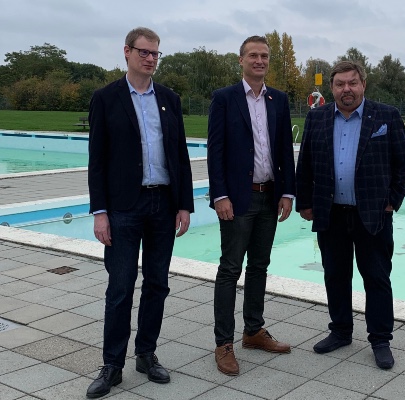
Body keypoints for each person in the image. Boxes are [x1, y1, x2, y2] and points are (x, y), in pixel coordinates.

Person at [86, 27, 194, 398]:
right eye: (144, 52)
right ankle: (112, 364)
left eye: (155, 54)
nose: (150, 59)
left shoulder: (169, 98)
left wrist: (184, 204)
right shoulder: (106, 98)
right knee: (119, 288)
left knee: (157, 284)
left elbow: (180, 155)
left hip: (163, 205)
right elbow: (97, 160)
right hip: (123, 208)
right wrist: (100, 212)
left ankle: (146, 354)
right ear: (127, 52)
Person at [295, 60, 405, 369]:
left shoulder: (386, 116)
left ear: (363, 85)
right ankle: (341, 331)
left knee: (376, 277)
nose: (346, 89)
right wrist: (304, 202)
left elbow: (404, 163)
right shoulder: (317, 117)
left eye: (352, 83)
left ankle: (380, 339)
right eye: (340, 84)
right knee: (335, 275)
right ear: (332, 88)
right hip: (330, 213)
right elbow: (305, 162)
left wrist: (392, 201)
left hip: (372, 213)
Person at [207, 35, 296, 376]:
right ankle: (224, 342)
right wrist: (220, 195)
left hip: (269, 194)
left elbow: (284, 149)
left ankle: (254, 331)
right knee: (231, 268)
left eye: (264, 56)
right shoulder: (225, 99)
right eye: (253, 55)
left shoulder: (278, 99)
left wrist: (287, 192)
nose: (259, 61)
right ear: (241, 60)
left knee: (260, 265)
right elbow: (215, 151)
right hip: (238, 197)